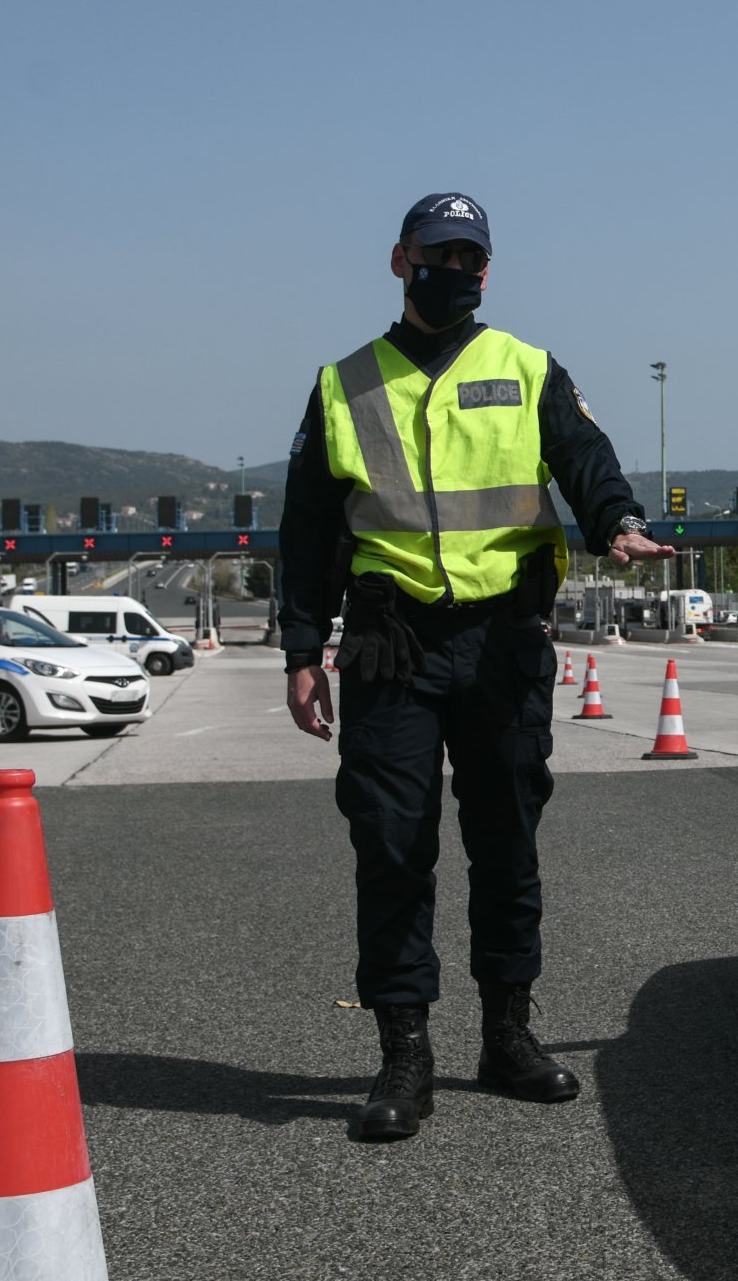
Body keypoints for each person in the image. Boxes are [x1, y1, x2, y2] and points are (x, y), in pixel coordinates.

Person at [278, 192, 674, 1141]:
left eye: (469, 257)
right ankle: (403, 1056)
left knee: (507, 840)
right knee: (391, 842)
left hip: (501, 641)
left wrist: (616, 521)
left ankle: (508, 1036)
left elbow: (585, 458)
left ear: (486, 271)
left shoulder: (528, 367)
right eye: (437, 253)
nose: (453, 269)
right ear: (400, 259)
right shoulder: (344, 383)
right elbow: (303, 531)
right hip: (390, 641)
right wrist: (302, 650)